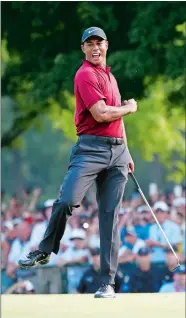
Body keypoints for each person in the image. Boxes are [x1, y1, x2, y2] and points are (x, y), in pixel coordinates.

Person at [18, 26, 138, 298]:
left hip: (118, 153)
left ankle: (107, 284)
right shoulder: (84, 74)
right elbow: (103, 114)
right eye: (90, 43)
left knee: (110, 217)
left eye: (99, 42)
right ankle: (45, 250)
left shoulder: (110, 76)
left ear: (107, 45)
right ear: (83, 48)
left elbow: (116, 121)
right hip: (90, 149)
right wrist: (130, 108)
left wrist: (127, 151)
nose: (95, 47)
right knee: (67, 200)